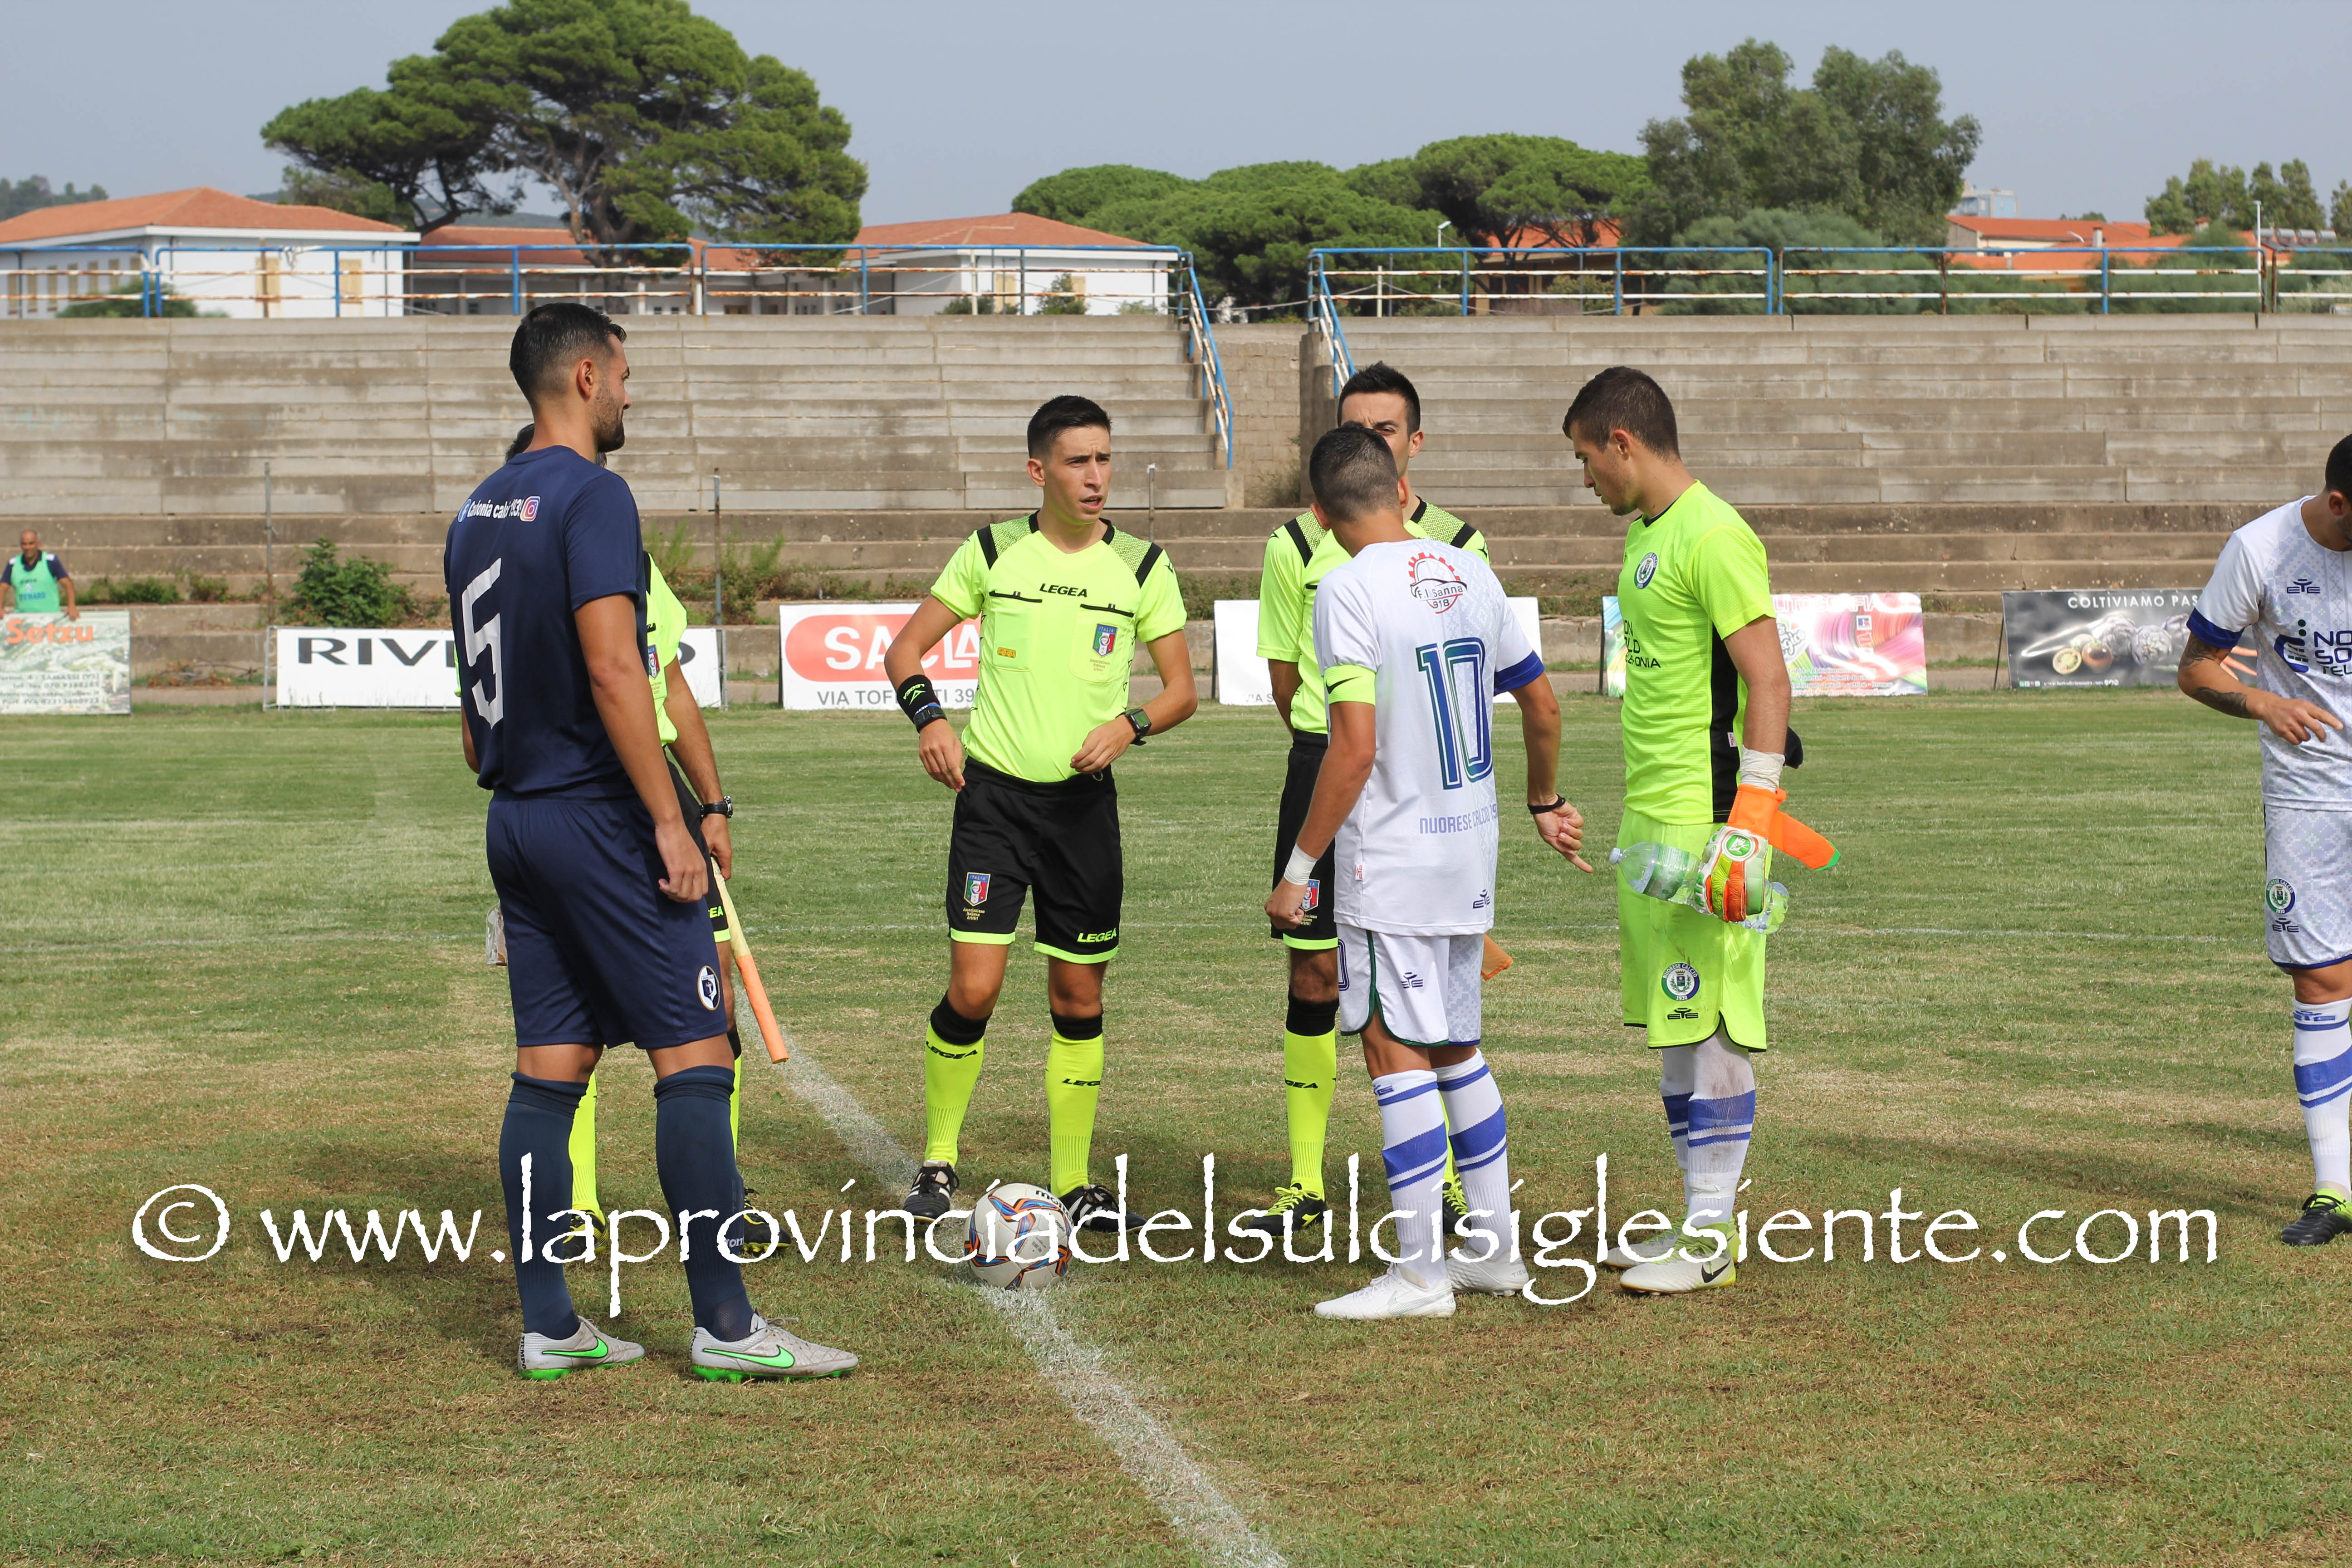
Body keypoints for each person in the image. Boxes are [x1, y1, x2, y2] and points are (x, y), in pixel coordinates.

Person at [448, 302, 854, 1381]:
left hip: (515, 815)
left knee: (550, 1070)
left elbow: (471, 712)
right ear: (585, 376)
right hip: (599, 816)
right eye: (624, 375)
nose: (631, 394)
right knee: (698, 1056)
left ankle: (549, 1322)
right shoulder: (595, 494)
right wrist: (670, 820)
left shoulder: (477, 508)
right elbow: (617, 666)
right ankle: (727, 1325)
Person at [1268, 424, 1590, 1319]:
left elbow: (1352, 747)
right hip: (1468, 848)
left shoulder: (1345, 587)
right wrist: (1543, 799)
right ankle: (1493, 1253)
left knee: (1388, 1046)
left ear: (1320, 514)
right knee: (1455, 1045)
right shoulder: (1471, 573)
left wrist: (1299, 868)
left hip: (1394, 858)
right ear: (1402, 492)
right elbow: (1542, 703)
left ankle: (1418, 1277)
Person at [882, 395, 1198, 1234]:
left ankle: (1074, 1181)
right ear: (1038, 470)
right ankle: (937, 1158)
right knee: (974, 989)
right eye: (1077, 461)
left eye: (1104, 459)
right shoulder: (992, 551)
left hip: (1082, 814)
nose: (1096, 477)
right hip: (993, 802)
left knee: (1078, 998)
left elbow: (1181, 691)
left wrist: (1128, 725)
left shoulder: (1142, 566)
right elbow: (903, 650)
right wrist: (931, 720)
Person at [1246, 361, 1504, 1244]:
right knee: (1313, 974)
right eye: (1352, 429)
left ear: (1413, 444)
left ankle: (1453, 1190)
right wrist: (1322, 743)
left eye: (1383, 430)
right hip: (1326, 765)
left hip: (1418, 781)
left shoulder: (1461, 545)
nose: (1368, 442)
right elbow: (1286, 678)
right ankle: (1303, 1179)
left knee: (1427, 993)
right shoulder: (1294, 544)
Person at [1562, 367, 1798, 1295]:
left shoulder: (1714, 533)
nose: (1585, 480)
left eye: (1586, 458)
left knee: (1714, 1025)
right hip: (1651, 814)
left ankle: (1711, 1240)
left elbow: (1767, 678)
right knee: (1673, 1024)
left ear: (1621, 443)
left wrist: (1752, 818)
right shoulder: (1646, 537)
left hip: (1710, 817)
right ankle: (1695, 1214)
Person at [2176, 434, 2352, 1245]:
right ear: (2338, 503)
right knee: (2321, 978)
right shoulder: (2259, 550)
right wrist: (2261, 703)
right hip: (2308, 795)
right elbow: (2197, 668)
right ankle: (2333, 1190)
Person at [5, 530, 77, 618]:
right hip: (22, 619)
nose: (28, 547)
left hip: (50, 618)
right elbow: (2, 587)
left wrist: (72, 607)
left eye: (31, 544)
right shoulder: (14, 563)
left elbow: (67, 584)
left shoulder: (50, 561)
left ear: (38, 544)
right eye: (24, 544)